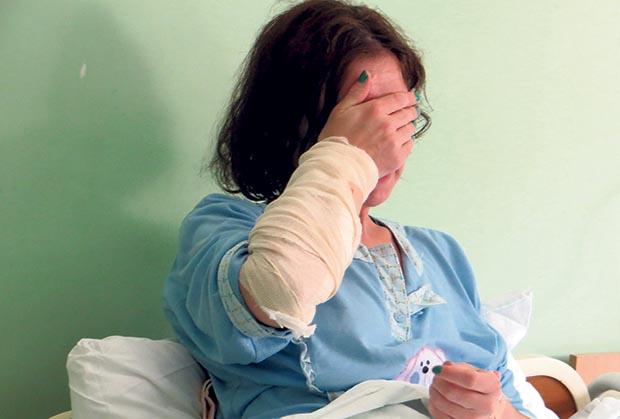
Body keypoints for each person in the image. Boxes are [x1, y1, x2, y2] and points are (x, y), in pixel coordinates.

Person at [163, 1, 536, 418]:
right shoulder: (223, 228)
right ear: (295, 122)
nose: (389, 141)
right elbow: (283, 290)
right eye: (366, 119)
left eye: (399, 117)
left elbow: (512, 403)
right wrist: (348, 156)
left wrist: (495, 411)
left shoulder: (443, 255)